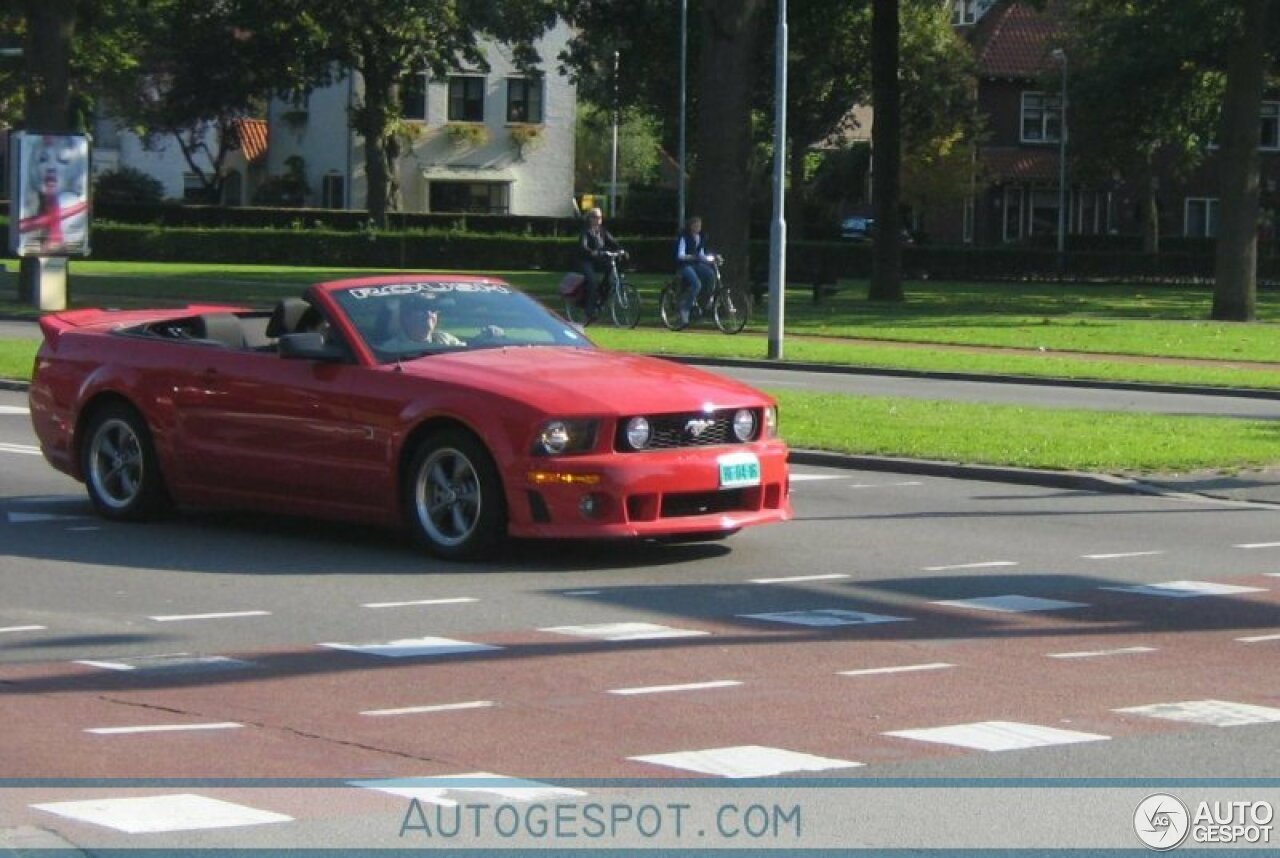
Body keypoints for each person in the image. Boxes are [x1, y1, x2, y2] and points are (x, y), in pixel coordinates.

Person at [576, 207, 624, 322]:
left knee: (611, 273)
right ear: (590, 219)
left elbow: (613, 242)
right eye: (596, 217)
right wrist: (592, 252)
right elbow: (583, 247)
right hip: (586, 261)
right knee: (592, 281)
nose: (599, 220)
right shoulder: (586, 231)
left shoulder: (602, 231)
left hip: (598, 261)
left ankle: (601, 299)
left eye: (600, 217)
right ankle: (589, 310)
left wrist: (622, 250)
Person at [674, 215, 719, 326]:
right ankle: (685, 310)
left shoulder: (700, 237)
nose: (698, 227)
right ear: (690, 226)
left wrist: (712, 258)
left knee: (711, 275)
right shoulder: (684, 237)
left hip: (696, 264)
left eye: (699, 225)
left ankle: (707, 299)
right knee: (696, 284)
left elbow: (701, 254)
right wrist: (692, 257)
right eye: (695, 225)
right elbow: (680, 255)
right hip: (685, 265)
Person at [397, 295, 463, 346]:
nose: (428, 314)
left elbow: (465, 352)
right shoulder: (394, 348)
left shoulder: (446, 340)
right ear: (406, 317)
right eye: (422, 309)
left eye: (433, 309)